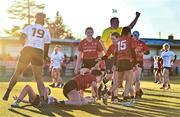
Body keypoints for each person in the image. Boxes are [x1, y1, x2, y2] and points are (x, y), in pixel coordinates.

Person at [3, 13, 51, 106]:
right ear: (43, 20)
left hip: (27, 49)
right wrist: (44, 57)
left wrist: (24, 47)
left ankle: (7, 93)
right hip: (38, 51)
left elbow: (21, 39)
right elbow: (47, 46)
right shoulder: (46, 31)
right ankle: (42, 100)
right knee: (39, 78)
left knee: (17, 73)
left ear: (35, 19)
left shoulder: (29, 27)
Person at [100, 12, 140, 93]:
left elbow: (130, 27)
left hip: (118, 56)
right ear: (112, 23)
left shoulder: (121, 30)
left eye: (118, 22)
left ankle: (113, 95)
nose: (118, 23)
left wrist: (136, 17)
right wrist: (107, 53)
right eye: (116, 22)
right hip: (110, 56)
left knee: (116, 76)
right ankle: (101, 84)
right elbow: (101, 42)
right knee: (109, 75)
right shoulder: (106, 31)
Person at [102, 27, 137, 105]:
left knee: (117, 82)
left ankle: (106, 95)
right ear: (129, 32)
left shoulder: (119, 41)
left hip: (119, 62)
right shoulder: (130, 39)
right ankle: (125, 99)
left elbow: (116, 54)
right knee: (129, 81)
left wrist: (115, 64)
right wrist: (135, 63)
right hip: (127, 61)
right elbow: (132, 51)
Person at [132, 31, 149, 98]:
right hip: (131, 62)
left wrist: (143, 52)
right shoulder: (130, 42)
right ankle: (139, 91)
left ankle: (137, 93)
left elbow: (148, 51)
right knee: (132, 80)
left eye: (136, 35)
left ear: (138, 36)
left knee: (137, 79)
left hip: (139, 61)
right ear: (132, 35)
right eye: (134, 35)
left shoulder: (141, 43)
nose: (135, 36)